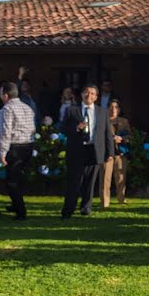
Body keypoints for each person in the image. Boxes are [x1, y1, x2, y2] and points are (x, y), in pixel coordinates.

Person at [61, 84, 114, 219]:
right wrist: (76, 128)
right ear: (82, 94)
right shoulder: (72, 110)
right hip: (76, 150)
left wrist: (110, 153)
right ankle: (68, 209)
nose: (89, 96)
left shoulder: (102, 112)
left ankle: (86, 208)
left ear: (96, 97)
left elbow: (108, 133)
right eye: (86, 93)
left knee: (90, 182)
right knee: (74, 181)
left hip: (94, 150)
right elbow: (63, 129)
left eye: (92, 94)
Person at [0, 82, 36, 221]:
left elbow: (5, 132)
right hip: (28, 146)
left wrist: (2, 152)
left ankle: (21, 211)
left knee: (11, 181)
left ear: (6, 95)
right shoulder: (28, 108)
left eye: (1, 93)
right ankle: (15, 204)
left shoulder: (7, 109)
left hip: (15, 147)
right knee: (18, 178)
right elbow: (33, 128)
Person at [100, 99, 130, 208]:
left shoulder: (124, 121)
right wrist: (111, 138)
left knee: (121, 177)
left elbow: (130, 136)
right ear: (107, 109)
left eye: (116, 107)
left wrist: (121, 138)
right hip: (107, 152)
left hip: (120, 152)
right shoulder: (102, 121)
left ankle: (121, 199)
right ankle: (105, 202)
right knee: (105, 178)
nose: (113, 109)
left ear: (119, 109)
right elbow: (98, 136)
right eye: (111, 107)